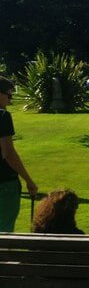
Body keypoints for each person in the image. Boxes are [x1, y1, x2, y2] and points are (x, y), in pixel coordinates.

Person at [0, 77, 38, 232]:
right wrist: (29, 180)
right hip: (4, 182)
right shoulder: (3, 116)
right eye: (8, 94)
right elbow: (8, 153)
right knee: (4, 231)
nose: (11, 98)